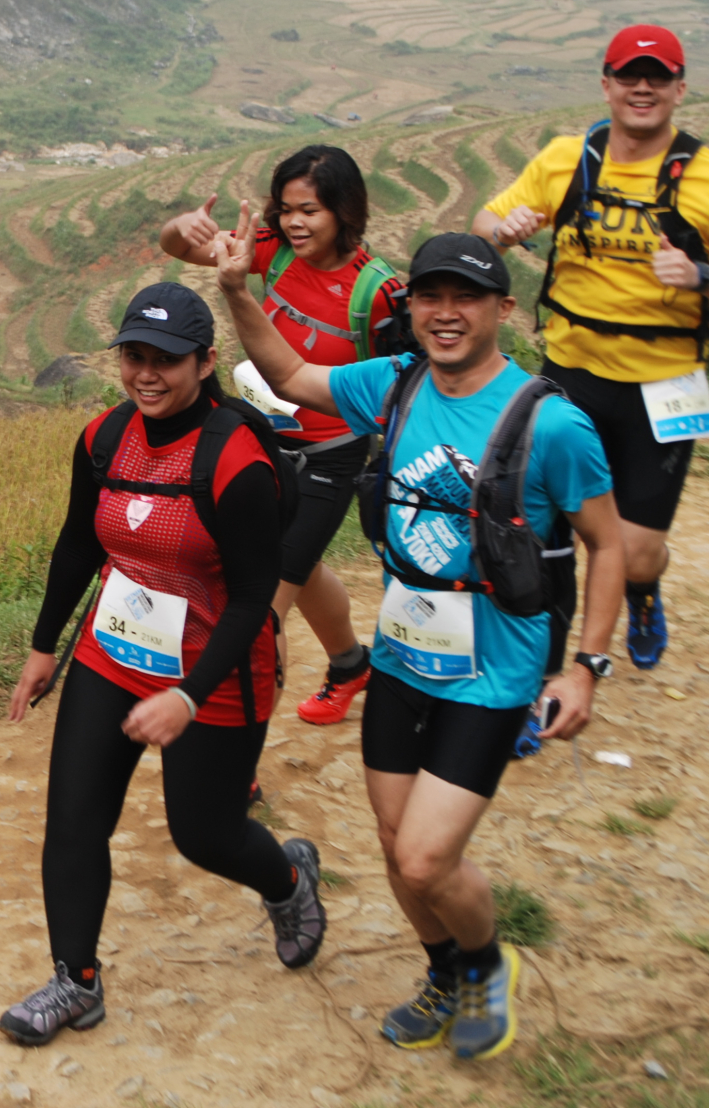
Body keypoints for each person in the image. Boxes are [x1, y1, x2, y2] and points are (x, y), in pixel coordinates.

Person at [213, 222, 625, 1061]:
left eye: (465, 297)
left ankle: (483, 964)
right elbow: (290, 374)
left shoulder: (550, 424)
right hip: (403, 652)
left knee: (430, 857)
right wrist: (234, 292)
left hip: (497, 663)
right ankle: (444, 971)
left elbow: (609, 543)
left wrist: (585, 668)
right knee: (398, 848)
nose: (445, 313)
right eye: (430, 296)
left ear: (503, 308)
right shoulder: (394, 385)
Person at [0, 282, 326, 1048]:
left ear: (206, 362)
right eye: (133, 357)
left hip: (215, 669)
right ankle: (74, 983)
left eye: (167, 361)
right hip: (115, 652)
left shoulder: (235, 460)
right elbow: (79, 542)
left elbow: (251, 601)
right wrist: (45, 646)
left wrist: (186, 692)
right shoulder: (104, 439)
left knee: (204, 835)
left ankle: (287, 880)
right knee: (74, 819)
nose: (147, 374)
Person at [474, 24, 709, 668]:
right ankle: (540, 676)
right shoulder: (565, 159)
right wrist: (504, 228)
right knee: (541, 536)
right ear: (606, 84)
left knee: (632, 549)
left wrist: (702, 276)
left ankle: (644, 589)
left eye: (658, 77)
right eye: (629, 74)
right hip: (568, 374)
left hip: (667, 384)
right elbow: (486, 221)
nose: (642, 87)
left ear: (679, 89)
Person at [160, 146, 405, 726]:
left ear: (345, 211)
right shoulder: (270, 252)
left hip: (332, 458)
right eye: (287, 208)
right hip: (267, 449)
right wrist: (181, 226)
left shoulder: (378, 292)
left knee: (260, 609)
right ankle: (350, 664)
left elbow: (403, 387)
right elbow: (179, 246)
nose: (295, 222)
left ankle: (237, 760)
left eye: (311, 211)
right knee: (300, 566)